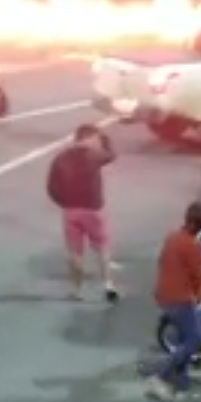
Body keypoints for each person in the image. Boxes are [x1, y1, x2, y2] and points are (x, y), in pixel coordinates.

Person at [142, 203, 201, 401]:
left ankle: (182, 382)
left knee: (184, 337)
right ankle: (159, 377)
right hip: (180, 300)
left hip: (164, 296)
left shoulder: (172, 237)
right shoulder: (194, 246)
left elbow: (163, 262)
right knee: (196, 337)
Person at [45, 123, 119, 302]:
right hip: (93, 208)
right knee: (102, 248)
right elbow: (112, 155)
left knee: (75, 252)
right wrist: (106, 139)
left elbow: (51, 186)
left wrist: (63, 202)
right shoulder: (93, 156)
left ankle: (77, 290)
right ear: (89, 138)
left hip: (71, 210)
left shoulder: (61, 158)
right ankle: (108, 284)